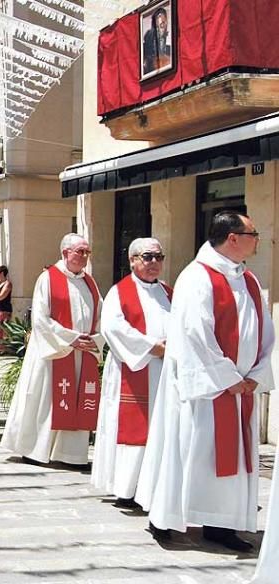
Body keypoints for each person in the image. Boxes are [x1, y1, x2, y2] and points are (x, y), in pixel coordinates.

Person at [138, 213, 274, 551]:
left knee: (231, 458)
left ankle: (221, 524)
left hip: (239, 389)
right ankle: (166, 517)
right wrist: (227, 377)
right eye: (252, 233)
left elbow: (266, 332)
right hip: (203, 390)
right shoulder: (197, 277)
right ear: (232, 238)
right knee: (189, 452)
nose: (258, 239)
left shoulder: (249, 280)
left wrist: (255, 376)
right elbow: (195, 334)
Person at [1, 234, 103, 465]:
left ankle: (70, 454)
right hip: (53, 353)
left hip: (80, 352)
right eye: (80, 251)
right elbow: (40, 318)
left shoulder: (90, 282)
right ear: (65, 252)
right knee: (45, 400)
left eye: (87, 252)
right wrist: (72, 339)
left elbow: (100, 316)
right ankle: (36, 449)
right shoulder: (48, 278)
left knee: (76, 399)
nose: (85, 256)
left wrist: (94, 339)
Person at [91, 238, 171, 510]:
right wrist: (151, 347)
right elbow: (113, 328)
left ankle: (154, 484)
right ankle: (126, 487)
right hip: (133, 368)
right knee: (132, 428)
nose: (154, 263)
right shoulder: (120, 292)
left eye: (159, 257)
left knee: (160, 428)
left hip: (165, 374)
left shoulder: (170, 293)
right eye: (147, 257)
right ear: (133, 260)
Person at [142, 7, 171, 75]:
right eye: (156, 27)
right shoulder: (145, 48)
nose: (159, 30)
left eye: (162, 25)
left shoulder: (170, 49)